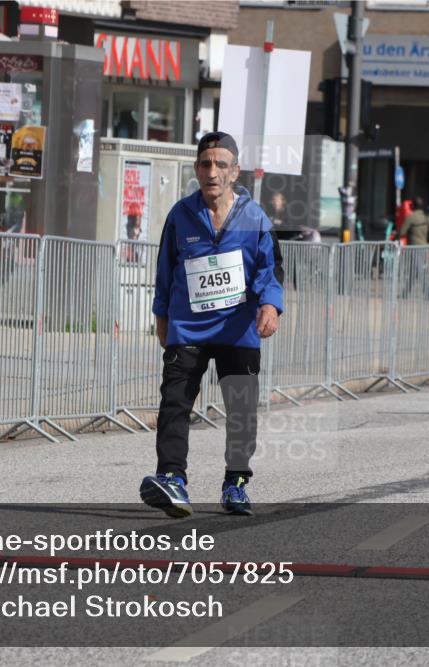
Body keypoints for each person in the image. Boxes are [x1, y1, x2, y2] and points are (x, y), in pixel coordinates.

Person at [141, 131, 284, 517]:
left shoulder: (254, 218)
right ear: (196, 169)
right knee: (174, 403)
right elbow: (164, 271)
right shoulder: (180, 215)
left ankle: (236, 483)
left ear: (235, 172)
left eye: (221, 164)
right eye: (206, 164)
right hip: (188, 327)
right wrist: (161, 318)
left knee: (241, 411)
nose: (213, 172)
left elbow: (270, 270)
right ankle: (172, 479)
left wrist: (270, 306)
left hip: (238, 330)